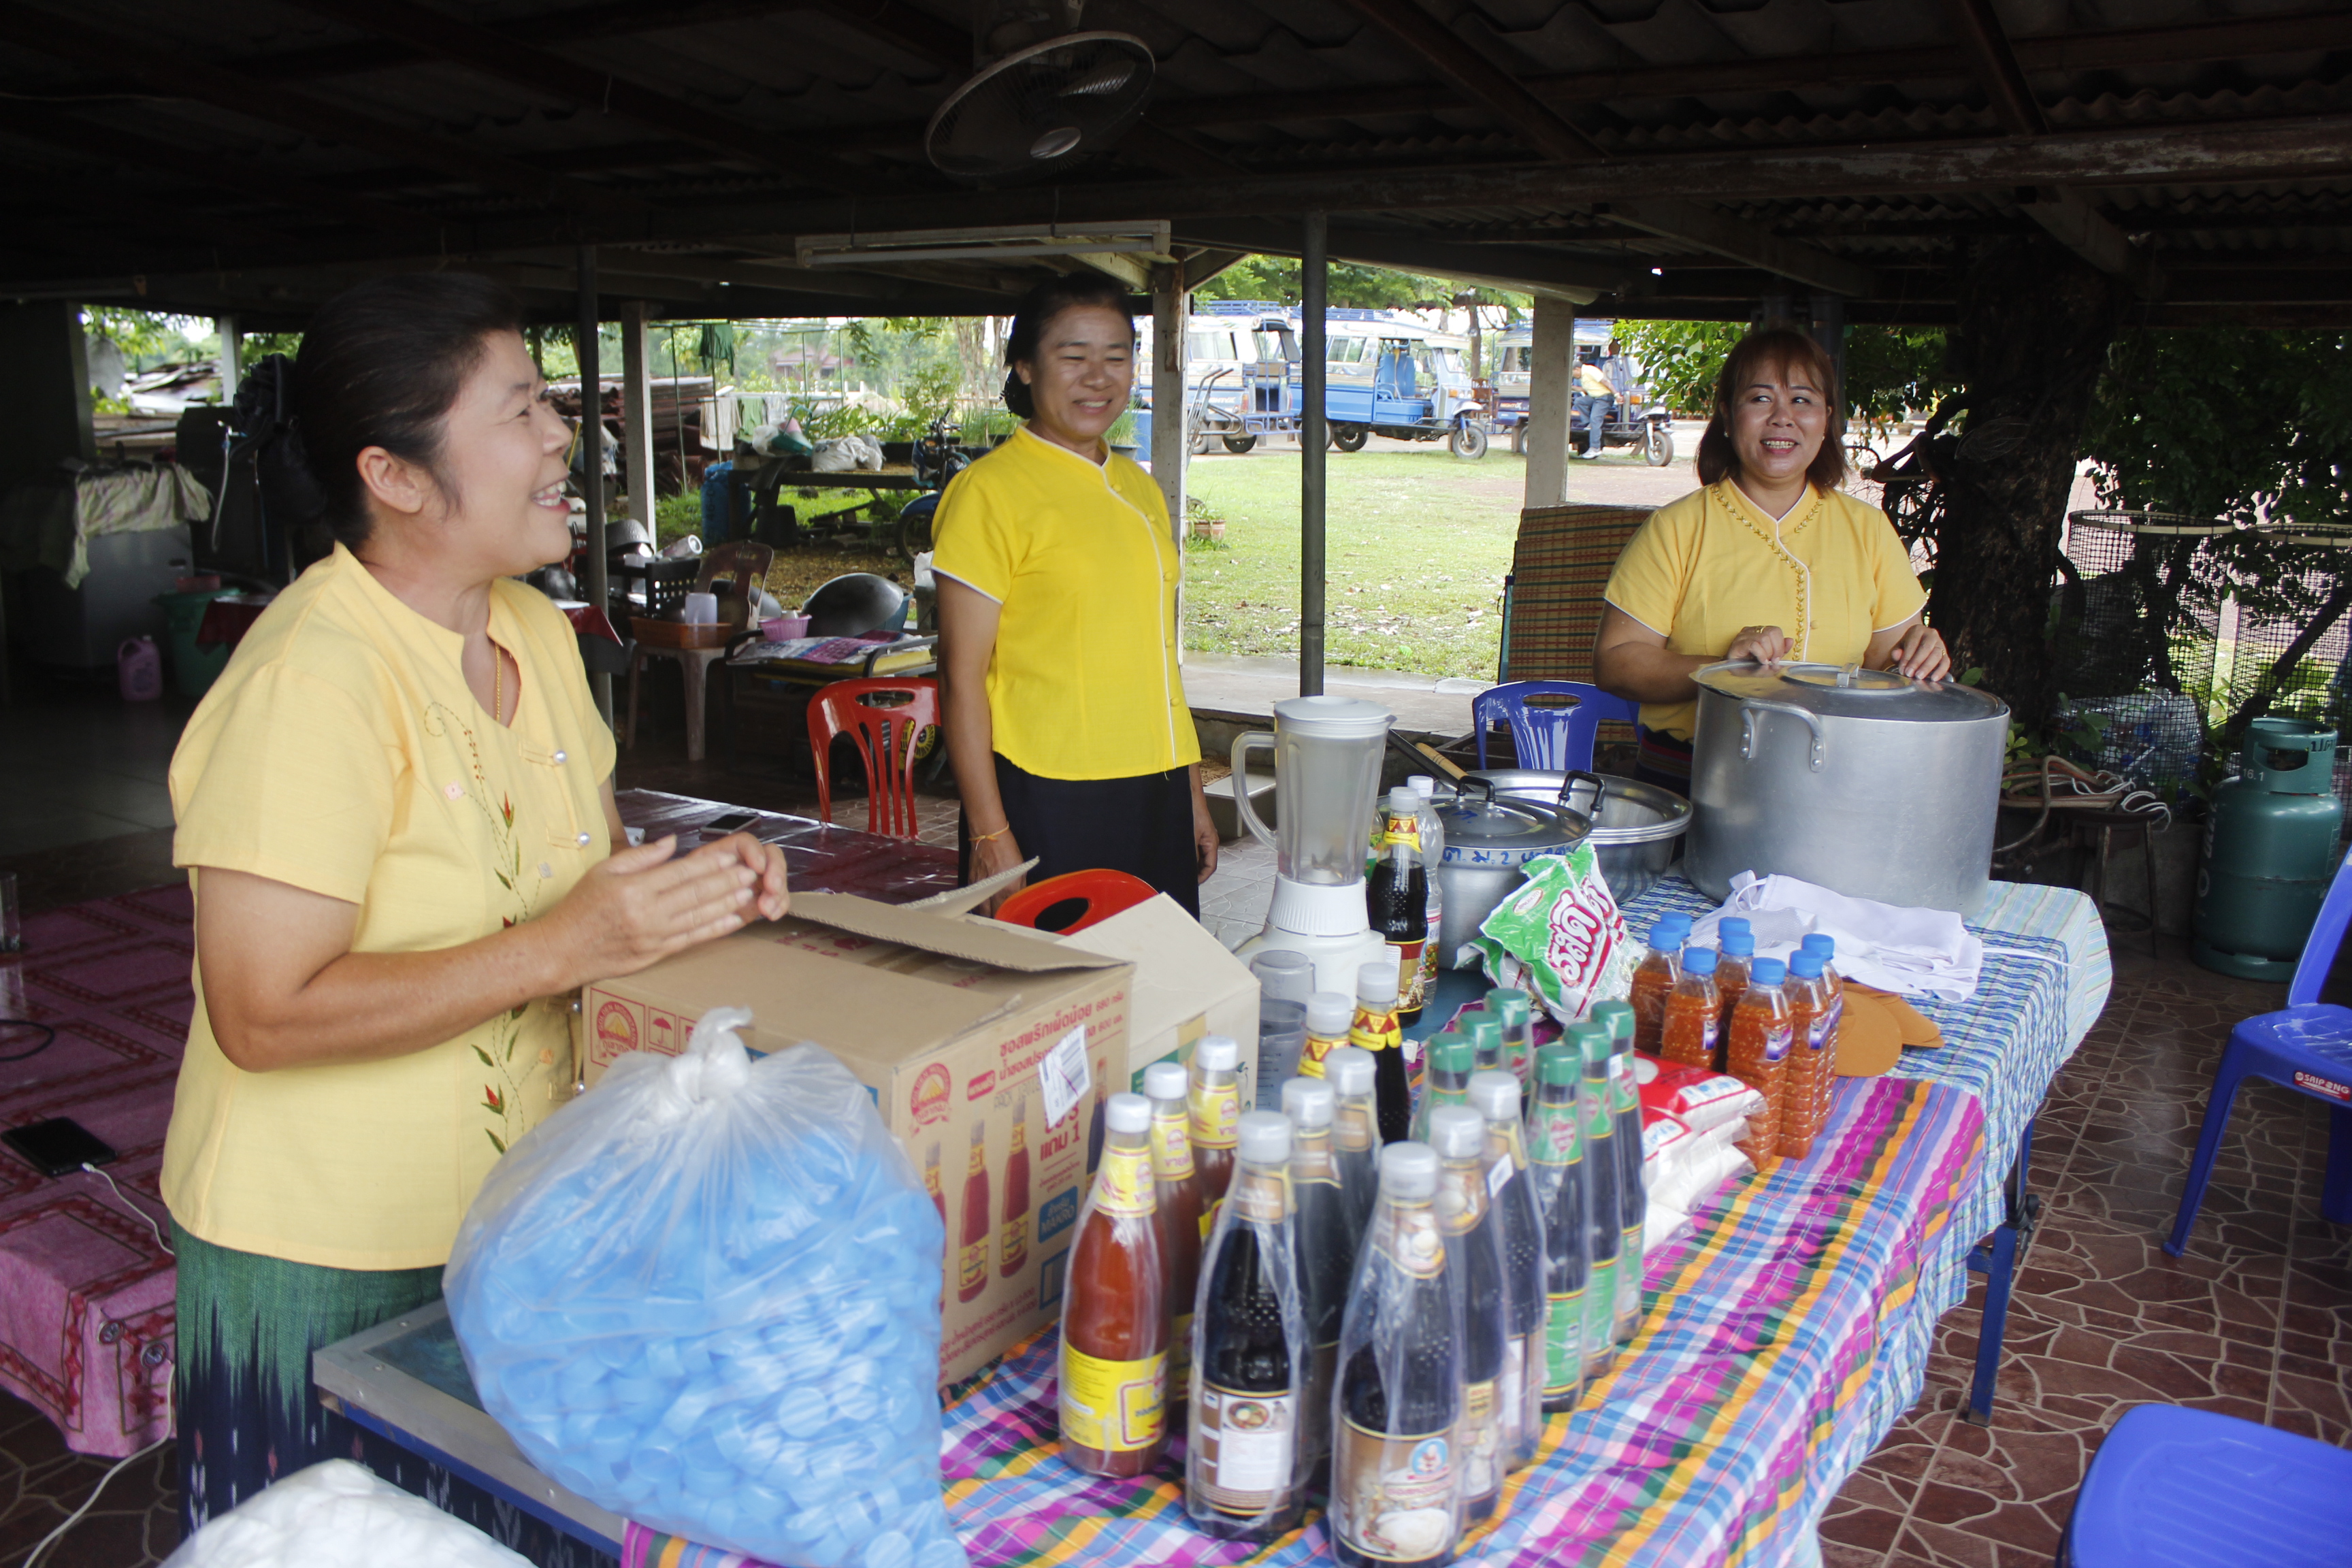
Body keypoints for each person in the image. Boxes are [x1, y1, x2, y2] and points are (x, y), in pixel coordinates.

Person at [162, 274, 790, 1539]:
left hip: (520, 1228)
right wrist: (567, 942)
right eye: (520, 413)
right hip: (329, 1258)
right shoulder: (310, 681)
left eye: (551, 404)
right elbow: (262, 1011)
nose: (564, 437)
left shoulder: (539, 634)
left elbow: (585, 886)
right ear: (395, 476)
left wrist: (687, 894)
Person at [932, 272, 1218, 916]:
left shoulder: (1139, 488)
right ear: (1027, 367)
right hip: (1046, 796)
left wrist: (1190, 793)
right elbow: (960, 678)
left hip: (1154, 789)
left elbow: (1155, 660)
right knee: (1055, 1000)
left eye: (1116, 357)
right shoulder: (990, 492)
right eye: (1074, 356)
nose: (1098, 377)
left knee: (1155, 989)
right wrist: (989, 832)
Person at [1594, 324, 1949, 791]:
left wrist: (1919, 654)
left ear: (1827, 418)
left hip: (1833, 783)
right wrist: (1722, 666)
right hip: (1694, 779)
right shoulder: (1677, 529)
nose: (1782, 417)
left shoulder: (1868, 531)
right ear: (1726, 415)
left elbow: (1887, 664)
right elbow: (1615, 663)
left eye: (1802, 400)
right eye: (1760, 399)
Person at [1573, 356, 1615, 459]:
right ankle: (1589, 423)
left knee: (1596, 419)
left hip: (1604, 398)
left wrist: (1617, 394)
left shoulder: (1590, 370)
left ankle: (1595, 448)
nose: (1573, 377)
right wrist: (1573, 388)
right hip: (1594, 397)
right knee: (1579, 401)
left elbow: (1606, 382)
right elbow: (1588, 389)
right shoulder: (1583, 376)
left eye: (1573, 374)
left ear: (1577, 369)